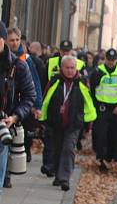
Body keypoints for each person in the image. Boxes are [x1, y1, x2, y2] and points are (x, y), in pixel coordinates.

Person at [39, 56, 95, 190]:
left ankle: (65, 179)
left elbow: (89, 104)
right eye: (67, 68)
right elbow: (45, 101)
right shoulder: (54, 81)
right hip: (56, 123)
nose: (70, 71)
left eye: (72, 68)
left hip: (74, 124)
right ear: (61, 68)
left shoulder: (81, 83)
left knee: (69, 149)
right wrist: (42, 120)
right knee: (58, 150)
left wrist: (88, 126)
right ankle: (58, 176)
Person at [3, 28, 42, 187]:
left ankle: (7, 175)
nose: (14, 43)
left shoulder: (24, 61)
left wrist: (36, 105)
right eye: (11, 40)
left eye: (17, 40)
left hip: (16, 111)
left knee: (12, 142)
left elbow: (34, 84)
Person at [90, 48, 117, 171]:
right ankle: (101, 160)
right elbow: (92, 91)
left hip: (116, 109)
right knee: (101, 136)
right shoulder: (98, 72)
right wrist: (94, 107)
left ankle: (111, 158)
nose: (111, 62)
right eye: (109, 60)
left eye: (113, 60)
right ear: (104, 59)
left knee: (114, 135)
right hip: (102, 109)